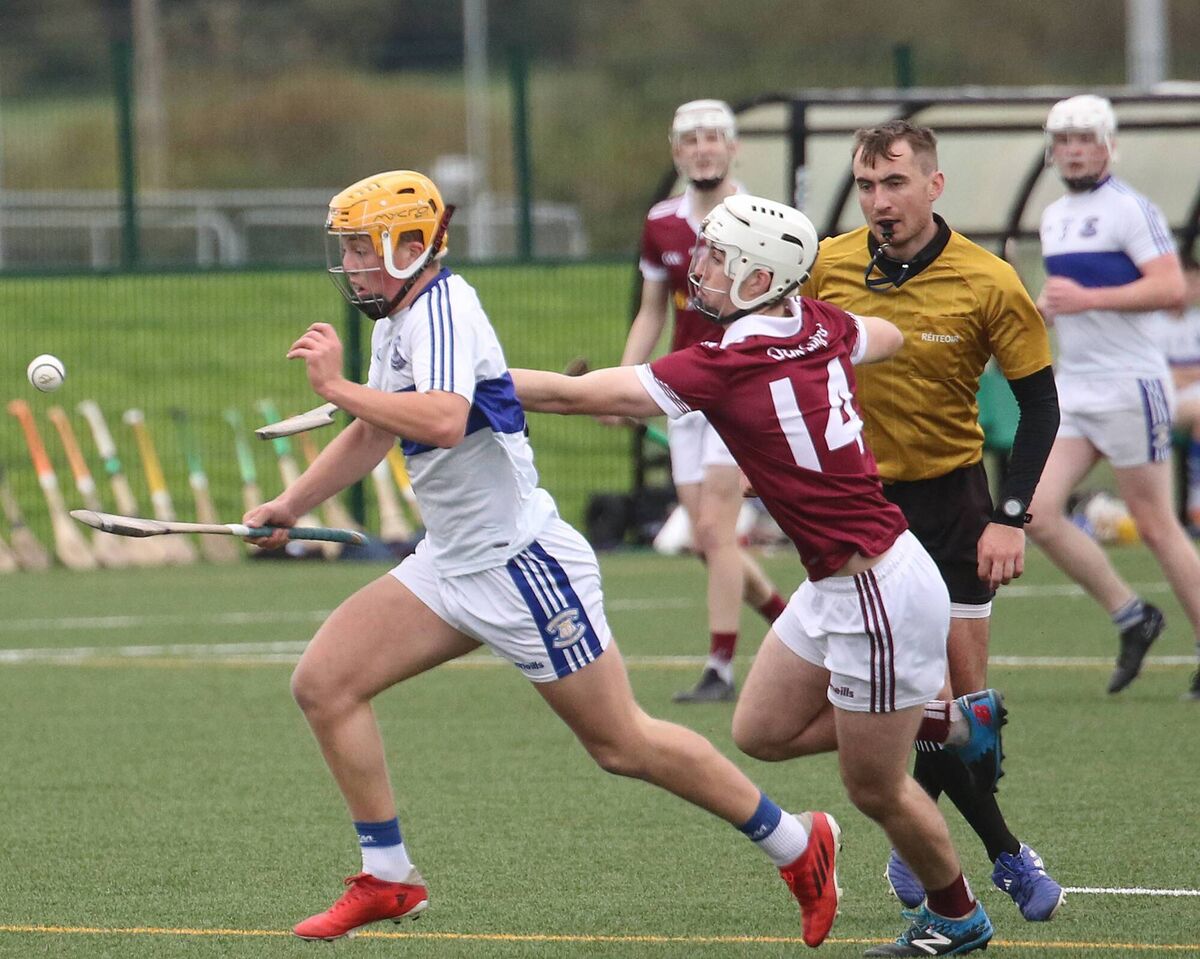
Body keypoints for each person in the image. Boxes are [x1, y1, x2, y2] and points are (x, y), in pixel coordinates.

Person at [245, 170, 848, 945]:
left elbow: (440, 417)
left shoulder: (445, 310)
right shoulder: (395, 317)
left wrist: (338, 386)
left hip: (523, 567)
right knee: (324, 684)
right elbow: (375, 430)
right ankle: (389, 875)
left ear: (409, 246)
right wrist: (291, 506)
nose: (353, 263)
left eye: (364, 247)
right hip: (452, 562)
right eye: (350, 248)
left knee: (622, 744)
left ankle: (799, 844)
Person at [513, 194, 997, 957]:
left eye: (717, 257)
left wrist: (465, 383)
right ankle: (950, 720)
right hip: (846, 579)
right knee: (759, 731)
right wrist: (843, 348)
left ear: (760, 276)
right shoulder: (821, 321)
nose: (699, 268)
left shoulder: (729, 362)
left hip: (873, 587)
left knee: (873, 786)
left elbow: (574, 396)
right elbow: (889, 332)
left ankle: (957, 914)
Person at [801, 120, 1065, 921]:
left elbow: (1041, 405)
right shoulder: (826, 266)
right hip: (863, 511)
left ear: (935, 185)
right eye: (867, 186)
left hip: (955, 505)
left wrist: (1011, 517)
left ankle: (917, 829)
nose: (879, 202)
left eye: (896, 183)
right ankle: (1008, 857)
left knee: (966, 720)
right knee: (932, 701)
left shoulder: (988, 281)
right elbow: (789, 368)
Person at [609, 99, 789, 703]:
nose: (703, 149)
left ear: (733, 148)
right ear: (676, 151)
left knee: (714, 525)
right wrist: (626, 381)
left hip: (741, 388)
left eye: (714, 138)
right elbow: (652, 311)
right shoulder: (661, 223)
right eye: (691, 140)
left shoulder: (763, 220)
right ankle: (793, 624)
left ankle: (721, 666)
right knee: (705, 538)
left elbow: (789, 312)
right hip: (684, 389)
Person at [1029, 94, 1200, 701]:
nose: (1073, 150)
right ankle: (1133, 615)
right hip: (1077, 387)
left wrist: (1087, 300)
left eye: (1084, 139)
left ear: (1108, 145)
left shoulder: (1132, 209)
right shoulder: (1053, 216)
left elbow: (1170, 286)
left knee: (1155, 525)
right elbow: (1074, 295)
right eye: (1064, 140)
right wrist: (1050, 307)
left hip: (1133, 385)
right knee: (1035, 513)